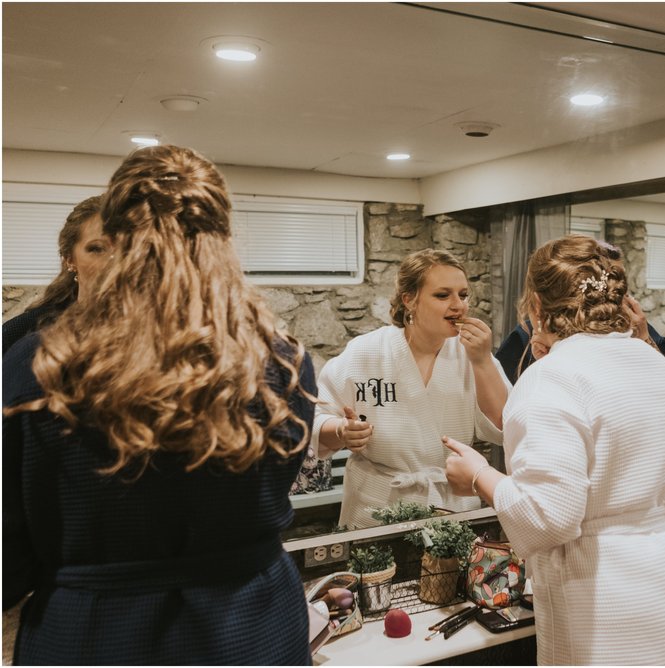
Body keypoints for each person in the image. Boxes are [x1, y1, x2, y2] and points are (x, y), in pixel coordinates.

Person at [3, 145, 317, 665]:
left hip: (98, 631)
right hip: (252, 626)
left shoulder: (38, 365)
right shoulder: (282, 361)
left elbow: (8, 552)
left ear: (117, 233)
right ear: (222, 237)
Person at [443, 234, 665, 666]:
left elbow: (548, 517)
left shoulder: (552, 377)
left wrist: (477, 475)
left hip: (612, 594)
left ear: (539, 307)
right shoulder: (652, 360)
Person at [311, 248, 510, 529]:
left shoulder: (472, 354)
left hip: (450, 506)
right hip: (378, 507)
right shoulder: (365, 352)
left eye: (463, 295)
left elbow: (504, 426)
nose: (459, 305)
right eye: (443, 295)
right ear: (409, 300)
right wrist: (342, 431)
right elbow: (315, 419)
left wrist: (482, 361)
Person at [495, 240, 665, 396]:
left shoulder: (637, 327)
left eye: (616, 281)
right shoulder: (529, 334)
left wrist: (644, 338)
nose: (612, 289)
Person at [2, 196, 110, 354]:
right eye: (97, 249)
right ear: (70, 259)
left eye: (127, 247)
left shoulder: (154, 331)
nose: (114, 260)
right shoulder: (26, 334)